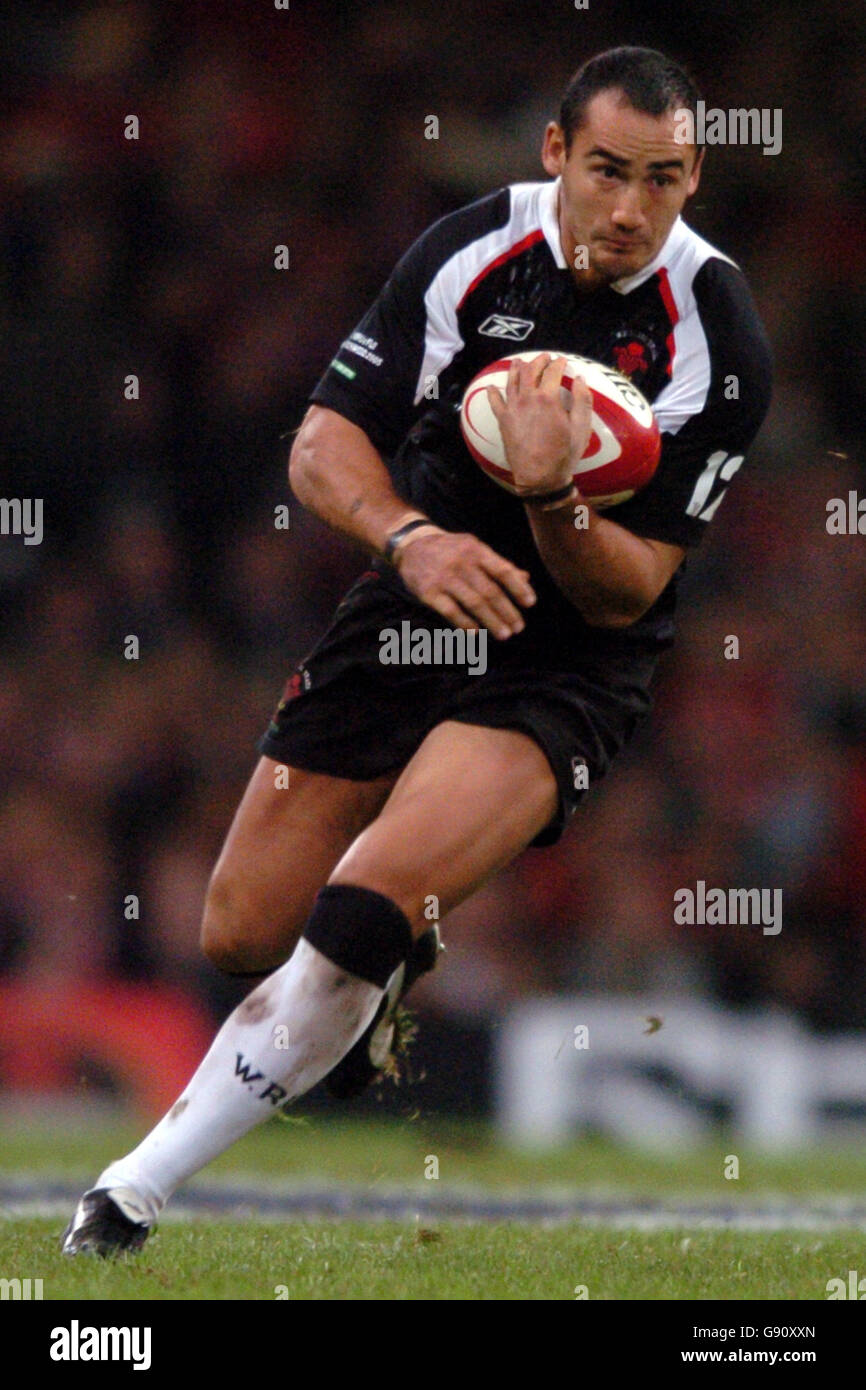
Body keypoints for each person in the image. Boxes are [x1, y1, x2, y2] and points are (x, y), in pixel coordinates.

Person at [63, 45, 772, 1256]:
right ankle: (381, 967)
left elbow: (629, 588)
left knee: (361, 903)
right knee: (238, 930)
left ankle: (131, 1191)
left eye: (661, 179)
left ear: (693, 177)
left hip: (566, 656)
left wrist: (557, 505)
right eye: (605, 170)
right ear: (554, 154)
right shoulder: (466, 253)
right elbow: (321, 444)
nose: (628, 208)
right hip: (416, 601)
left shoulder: (715, 327)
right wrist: (410, 540)